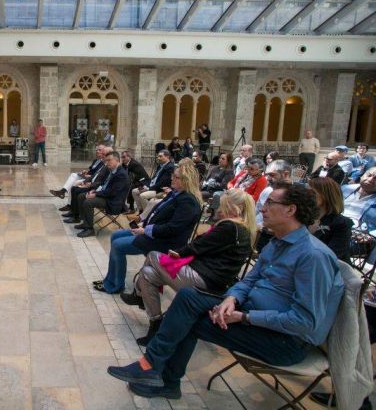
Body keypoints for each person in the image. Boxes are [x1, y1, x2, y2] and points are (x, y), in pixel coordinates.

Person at [106, 182, 344, 401]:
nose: (262, 207)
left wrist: (244, 316)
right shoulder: (277, 242)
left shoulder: (313, 256)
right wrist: (233, 298)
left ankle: (160, 375)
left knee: (188, 319)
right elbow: (249, 281)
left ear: (291, 210)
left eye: (270, 202)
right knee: (188, 298)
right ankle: (153, 367)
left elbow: (304, 322)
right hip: (251, 312)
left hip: (284, 341)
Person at [126, 188, 256, 345]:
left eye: (223, 206)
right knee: (147, 273)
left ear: (237, 208)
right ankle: (155, 322)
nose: (219, 210)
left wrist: (176, 253)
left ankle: (138, 295)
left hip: (207, 280)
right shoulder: (239, 227)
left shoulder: (230, 227)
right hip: (207, 275)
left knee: (153, 255)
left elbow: (197, 246)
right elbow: (202, 246)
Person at [94, 166, 201, 294]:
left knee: (118, 245)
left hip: (165, 242)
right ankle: (111, 279)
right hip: (155, 233)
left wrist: (146, 230)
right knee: (115, 235)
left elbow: (173, 228)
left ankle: (115, 285)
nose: (172, 179)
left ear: (186, 180)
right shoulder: (176, 193)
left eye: (176, 177)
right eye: (173, 175)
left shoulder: (188, 201)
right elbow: (157, 213)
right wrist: (143, 225)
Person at [73, 151, 130, 238]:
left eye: (109, 160)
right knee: (81, 196)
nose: (107, 163)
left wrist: (96, 194)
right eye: (106, 161)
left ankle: (89, 229)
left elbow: (112, 192)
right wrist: (94, 191)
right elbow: (104, 186)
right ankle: (85, 223)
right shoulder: (113, 170)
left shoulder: (121, 174)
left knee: (88, 202)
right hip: (107, 196)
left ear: (117, 160)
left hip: (114, 202)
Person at [62, 147, 112, 222]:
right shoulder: (103, 163)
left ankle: (76, 217)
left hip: (95, 187)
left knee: (77, 191)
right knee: (74, 188)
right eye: (102, 154)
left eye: (104, 154)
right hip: (92, 183)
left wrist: (90, 185)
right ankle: (73, 212)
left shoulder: (108, 167)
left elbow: (102, 182)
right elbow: (94, 175)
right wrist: (85, 182)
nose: (101, 155)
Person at [310, 177, 353, 261]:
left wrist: (308, 234)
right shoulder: (304, 216)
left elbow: (332, 257)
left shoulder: (342, 224)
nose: (306, 196)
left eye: (312, 193)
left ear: (326, 196)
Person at [255, 160, 292, 251]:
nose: (267, 178)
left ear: (285, 174)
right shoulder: (267, 190)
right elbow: (257, 209)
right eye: (267, 175)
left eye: (272, 175)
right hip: (258, 231)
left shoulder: (294, 194)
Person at [131, 150, 175, 214]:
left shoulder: (170, 167)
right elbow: (154, 179)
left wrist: (149, 188)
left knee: (142, 196)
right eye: (158, 156)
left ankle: (147, 215)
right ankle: (141, 211)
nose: (158, 158)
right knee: (134, 191)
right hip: (153, 186)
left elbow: (163, 183)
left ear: (167, 157)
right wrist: (146, 185)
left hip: (159, 189)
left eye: (160, 156)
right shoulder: (160, 165)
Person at [342, 167, 376, 234]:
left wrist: (370, 236)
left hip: (356, 238)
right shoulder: (343, 189)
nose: (370, 179)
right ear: (362, 175)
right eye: (369, 175)